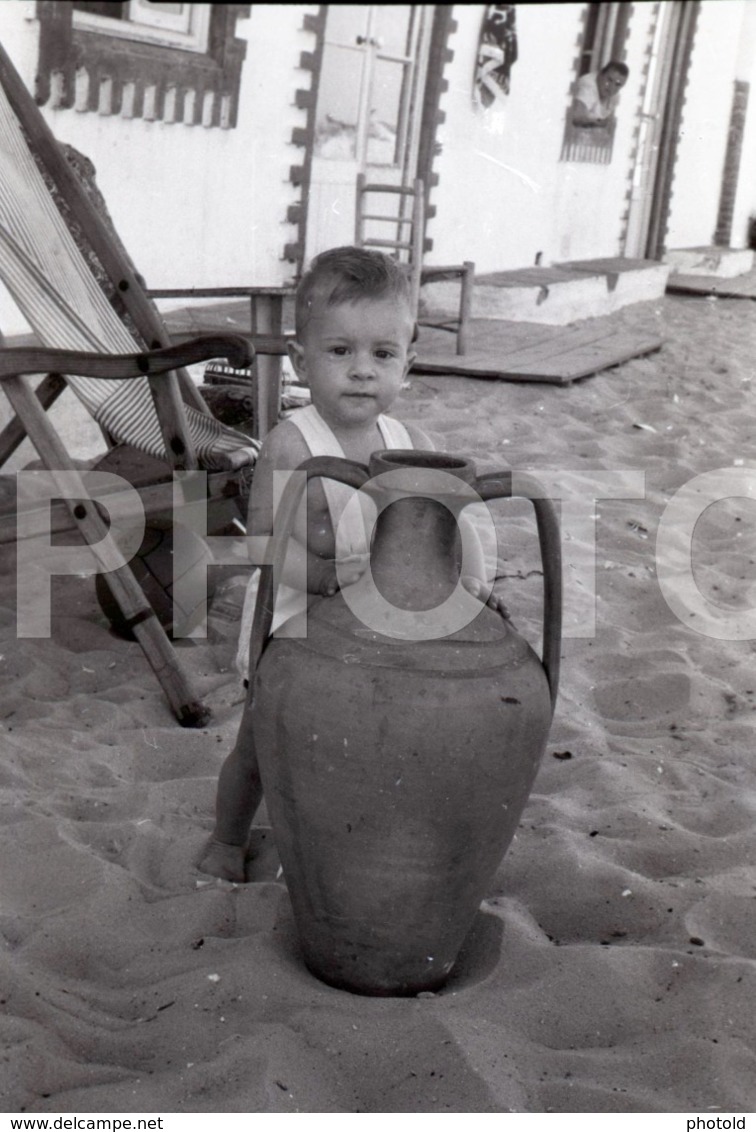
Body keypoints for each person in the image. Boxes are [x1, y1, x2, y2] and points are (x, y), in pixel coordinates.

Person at [198, 245, 502, 882]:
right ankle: (228, 838)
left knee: (366, 733)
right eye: (340, 352)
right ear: (302, 359)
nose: (362, 371)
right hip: (296, 618)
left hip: (377, 622)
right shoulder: (292, 443)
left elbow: (453, 518)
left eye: (382, 354)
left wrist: (470, 583)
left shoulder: (410, 445)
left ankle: (341, 838)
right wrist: (325, 576)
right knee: (261, 741)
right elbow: (259, 542)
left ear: (408, 364)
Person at [571, 60, 629, 128]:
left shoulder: (615, 97)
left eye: (617, 84)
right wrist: (600, 124)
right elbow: (576, 117)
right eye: (609, 80)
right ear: (601, 74)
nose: (611, 87)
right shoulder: (588, 86)